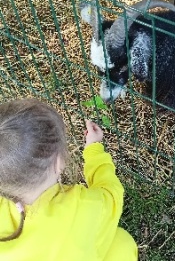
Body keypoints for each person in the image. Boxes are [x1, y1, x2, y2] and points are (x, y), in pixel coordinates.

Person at [0, 98, 138, 260]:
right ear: (59, 162)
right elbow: (111, 194)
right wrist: (94, 151)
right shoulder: (84, 205)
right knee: (122, 244)